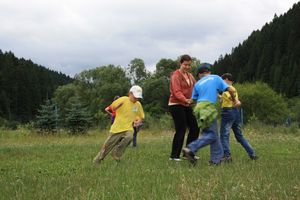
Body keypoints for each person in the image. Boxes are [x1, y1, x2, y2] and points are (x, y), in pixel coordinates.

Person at [182, 63, 240, 165]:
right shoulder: (215, 78)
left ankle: (215, 160)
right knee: (212, 135)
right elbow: (230, 89)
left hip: (199, 109)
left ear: (200, 74)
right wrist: (235, 101)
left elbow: (192, 100)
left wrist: (184, 101)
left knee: (212, 134)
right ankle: (191, 149)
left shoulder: (197, 84)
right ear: (209, 72)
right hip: (208, 107)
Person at [93, 85, 145, 164]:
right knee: (107, 146)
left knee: (130, 137)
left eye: (138, 97)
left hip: (128, 128)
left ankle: (116, 153)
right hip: (117, 128)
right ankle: (97, 160)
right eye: (135, 97)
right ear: (130, 93)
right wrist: (116, 106)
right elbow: (112, 107)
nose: (136, 99)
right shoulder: (123, 99)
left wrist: (139, 121)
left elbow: (141, 116)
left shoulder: (138, 105)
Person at [219, 73, 257, 161]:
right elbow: (226, 99)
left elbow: (231, 98)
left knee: (224, 135)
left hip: (228, 112)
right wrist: (220, 97)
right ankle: (252, 153)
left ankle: (226, 156)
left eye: (222, 80)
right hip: (235, 112)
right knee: (239, 136)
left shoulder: (230, 89)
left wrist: (231, 99)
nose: (221, 82)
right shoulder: (232, 89)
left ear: (227, 79)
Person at [168, 54, 200, 161]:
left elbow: (197, 87)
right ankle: (174, 156)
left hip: (187, 105)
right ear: (180, 63)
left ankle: (188, 153)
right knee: (181, 129)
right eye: (185, 64)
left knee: (195, 128)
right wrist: (186, 100)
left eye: (189, 65)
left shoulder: (190, 76)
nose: (187, 67)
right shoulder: (175, 76)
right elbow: (177, 92)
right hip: (176, 105)